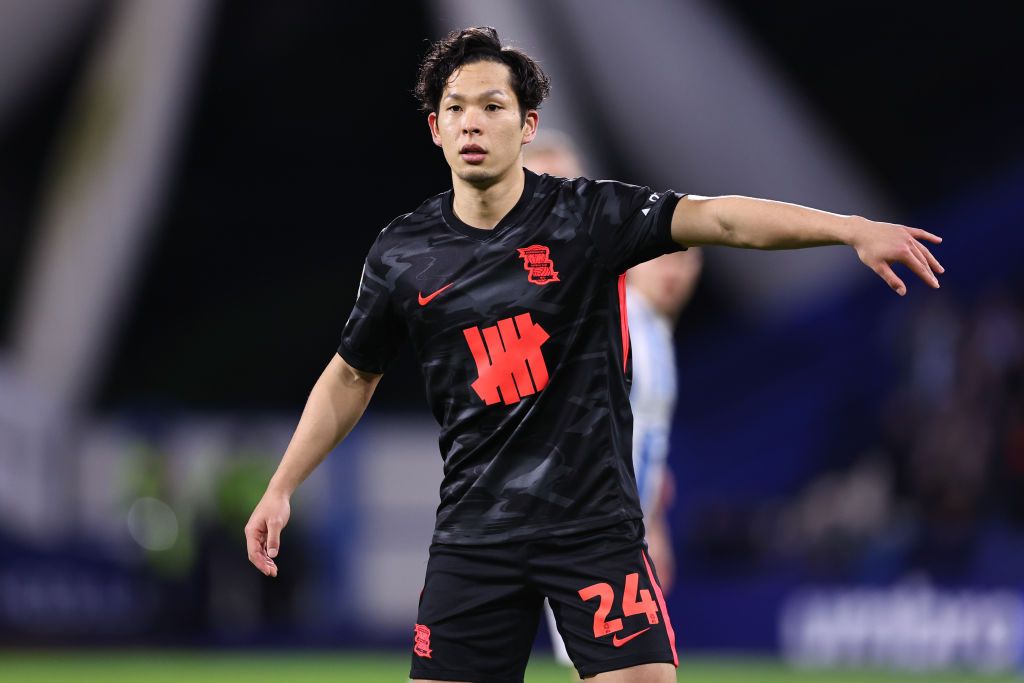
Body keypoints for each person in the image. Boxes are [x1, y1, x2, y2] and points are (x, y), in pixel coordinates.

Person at [244, 26, 944, 683]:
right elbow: (351, 374)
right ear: (435, 128)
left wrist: (850, 228)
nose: (471, 122)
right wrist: (281, 485)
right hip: (475, 533)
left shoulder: (587, 217)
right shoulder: (402, 251)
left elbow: (721, 217)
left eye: (492, 105)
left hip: (591, 530)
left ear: (526, 126)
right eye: (455, 108)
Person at [524, 133, 702, 673]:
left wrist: (654, 522)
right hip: (582, 529)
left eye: (687, 260)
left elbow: (639, 435)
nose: (673, 269)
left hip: (613, 528)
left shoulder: (647, 328)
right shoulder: (591, 318)